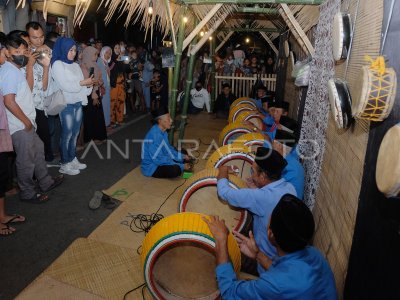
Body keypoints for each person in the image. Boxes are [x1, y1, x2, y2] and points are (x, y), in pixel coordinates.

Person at [203, 194, 338, 300]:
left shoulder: (275, 285)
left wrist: (221, 239)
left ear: (270, 233)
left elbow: (229, 293)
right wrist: (258, 255)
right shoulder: (315, 254)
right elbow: (286, 276)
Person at [0, 33, 63, 203]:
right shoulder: (8, 72)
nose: (21, 54)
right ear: (7, 52)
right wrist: (26, 122)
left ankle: (45, 182)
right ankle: (27, 192)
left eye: (24, 50)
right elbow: (9, 101)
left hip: (27, 122)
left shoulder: (16, 70)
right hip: (20, 125)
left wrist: (29, 66)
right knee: (26, 161)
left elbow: (28, 88)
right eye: (17, 51)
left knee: (38, 150)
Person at [217, 147, 296, 274]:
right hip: (283, 258)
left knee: (221, 249)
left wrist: (223, 170)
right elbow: (268, 200)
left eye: (253, 171)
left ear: (264, 176)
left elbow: (224, 193)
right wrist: (257, 188)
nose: (251, 175)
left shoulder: (260, 197)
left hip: (265, 262)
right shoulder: (289, 187)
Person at [51, 37, 95, 175]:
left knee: (75, 133)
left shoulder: (75, 65)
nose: (73, 53)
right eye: (70, 50)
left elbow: (80, 85)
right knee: (67, 133)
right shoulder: (57, 64)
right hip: (66, 104)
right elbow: (66, 86)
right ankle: (64, 163)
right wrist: (83, 83)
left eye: (75, 50)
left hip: (77, 102)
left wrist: (89, 85)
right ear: (63, 49)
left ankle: (72, 158)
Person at [25, 22, 56, 165]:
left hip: (45, 101)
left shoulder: (46, 49)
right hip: (30, 105)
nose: (39, 40)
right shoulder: (25, 55)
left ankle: (45, 163)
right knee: (38, 138)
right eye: (35, 37)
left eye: (41, 36)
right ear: (28, 37)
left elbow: (45, 84)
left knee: (47, 134)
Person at [141, 106, 190, 178]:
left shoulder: (163, 131)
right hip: (152, 167)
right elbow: (158, 160)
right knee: (175, 170)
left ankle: (181, 162)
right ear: (160, 121)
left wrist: (182, 156)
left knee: (183, 152)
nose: (171, 120)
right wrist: (181, 166)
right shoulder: (155, 136)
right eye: (168, 118)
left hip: (161, 157)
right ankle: (180, 164)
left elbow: (168, 149)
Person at [81, 46, 107, 144]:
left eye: (96, 54)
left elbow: (98, 79)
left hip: (95, 92)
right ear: (88, 54)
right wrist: (94, 95)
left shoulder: (94, 65)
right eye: (94, 54)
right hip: (90, 94)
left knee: (97, 116)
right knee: (92, 116)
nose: (96, 56)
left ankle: (98, 136)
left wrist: (99, 82)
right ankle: (93, 137)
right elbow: (89, 82)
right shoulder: (84, 66)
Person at [273, 130, 305, 199]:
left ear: (279, 146)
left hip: (290, 204)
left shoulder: (286, 164)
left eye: (274, 143)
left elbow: (273, 184)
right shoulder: (291, 159)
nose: (272, 146)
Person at [110, 51, 126, 127]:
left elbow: (126, 70)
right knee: (113, 102)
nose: (117, 49)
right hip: (114, 85)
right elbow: (110, 69)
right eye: (115, 48)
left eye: (118, 48)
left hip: (121, 84)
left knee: (121, 101)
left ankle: (120, 119)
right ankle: (112, 120)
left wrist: (126, 63)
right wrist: (116, 60)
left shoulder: (121, 60)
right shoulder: (111, 59)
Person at [97, 46, 112, 128]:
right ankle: (104, 124)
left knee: (106, 105)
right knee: (104, 106)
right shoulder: (99, 61)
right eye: (107, 52)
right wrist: (102, 86)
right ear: (102, 52)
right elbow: (99, 75)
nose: (108, 55)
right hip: (102, 87)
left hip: (106, 87)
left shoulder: (105, 62)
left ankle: (107, 123)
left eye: (110, 53)